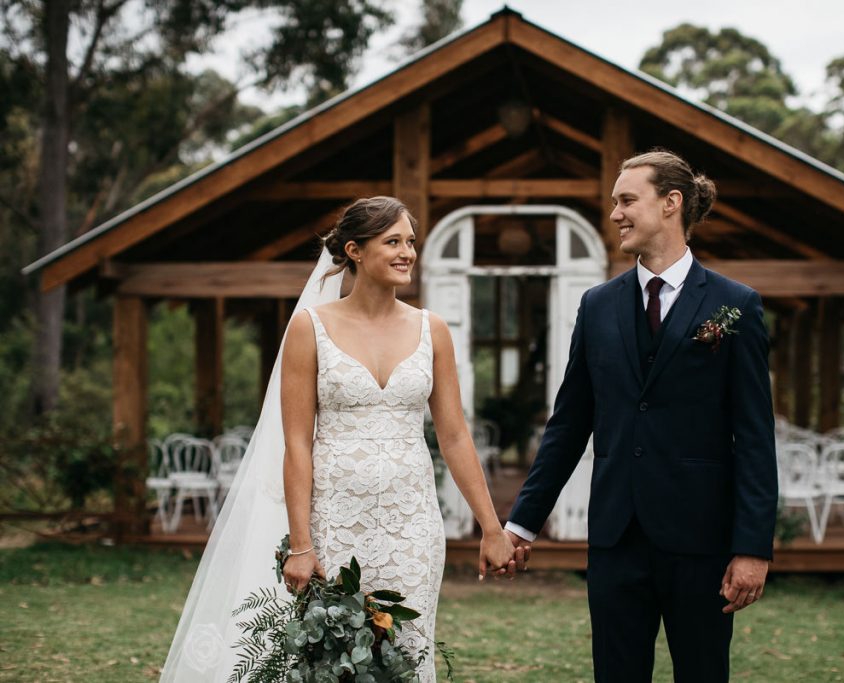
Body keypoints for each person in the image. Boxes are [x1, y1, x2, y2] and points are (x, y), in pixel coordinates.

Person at [161, 197, 518, 682]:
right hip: (334, 524)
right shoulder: (311, 328)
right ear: (354, 250)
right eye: (393, 241)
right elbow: (297, 442)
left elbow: (454, 436)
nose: (407, 252)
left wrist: (491, 527)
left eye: (410, 242)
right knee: (330, 664)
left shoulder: (431, 329)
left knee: (406, 656)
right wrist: (302, 544)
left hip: (411, 525)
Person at [504, 150, 778, 682]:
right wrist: (522, 522)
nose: (615, 214)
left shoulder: (733, 306)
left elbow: (754, 436)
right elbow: (568, 424)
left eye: (627, 200)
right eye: (614, 203)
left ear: (671, 203)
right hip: (616, 538)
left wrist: (752, 548)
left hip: (700, 540)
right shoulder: (598, 305)